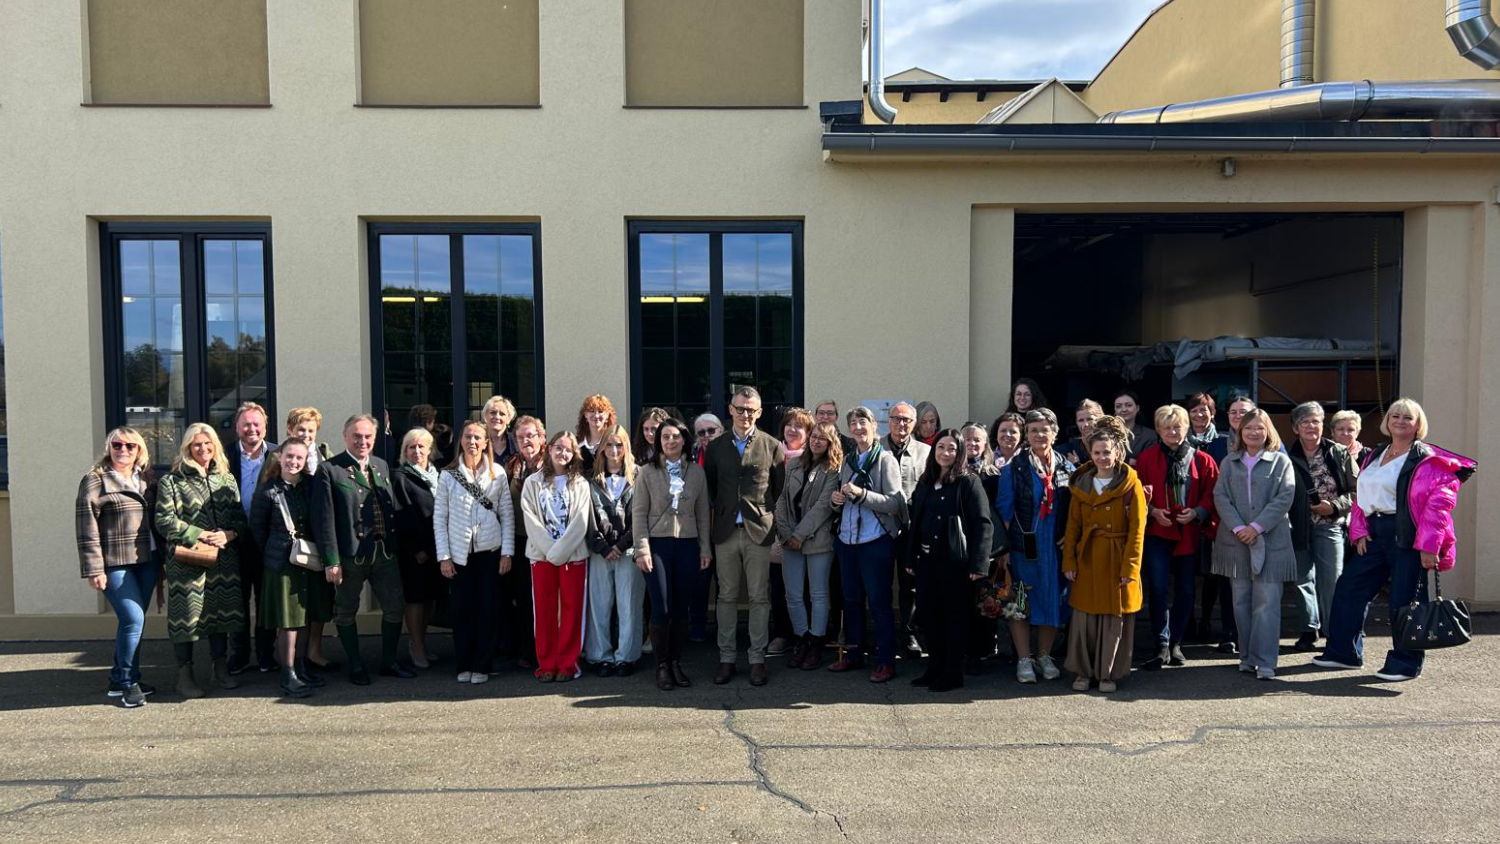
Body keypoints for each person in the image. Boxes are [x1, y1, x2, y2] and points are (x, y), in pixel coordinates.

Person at [1314, 398, 1476, 682]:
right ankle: (1343, 653)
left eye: (1407, 417)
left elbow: (1438, 508)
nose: (1400, 421)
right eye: (1395, 416)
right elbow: (1362, 495)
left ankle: (1404, 663)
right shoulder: (1375, 454)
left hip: (1409, 537)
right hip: (1375, 534)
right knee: (1350, 588)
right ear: (1387, 421)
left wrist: (1429, 546)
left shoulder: (1429, 459)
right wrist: (1360, 530)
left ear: (1418, 424)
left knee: (1404, 600)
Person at [310, 414, 414, 686]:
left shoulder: (380, 465)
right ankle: (355, 665)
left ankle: (388, 662)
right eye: (356, 436)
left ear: (375, 438)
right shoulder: (330, 469)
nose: (362, 441)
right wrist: (331, 560)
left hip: (384, 551)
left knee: (395, 607)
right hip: (350, 554)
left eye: (368, 436)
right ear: (345, 437)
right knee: (345, 611)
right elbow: (324, 520)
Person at [155, 422, 249, 699]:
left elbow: (240, 520)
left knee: (221, 616)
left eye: (208, 444)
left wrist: (229, 534)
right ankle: (184, 676)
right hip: (188, 562)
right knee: (187, 619)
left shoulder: (227, 479)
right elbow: (163, 520)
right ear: (187, 448)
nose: (203, 449)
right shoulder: (172, 481)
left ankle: (220, 669)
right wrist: (199, 533)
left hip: (224, 560)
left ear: (216, 446)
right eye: (197, 444)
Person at [703, 386, 785, 687]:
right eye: (740, 409)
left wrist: (767, 517)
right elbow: (711, 487)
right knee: (725, 596)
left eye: (751, 410)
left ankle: (756, 660)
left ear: (759, 412)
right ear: (731, 410)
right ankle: (726, 658)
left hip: (758, 532)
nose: (745, 414)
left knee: (759, 597)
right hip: (725, 531)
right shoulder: (716, 446)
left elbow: (778, 489)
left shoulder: (772, 445)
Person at [76, 427, 162, 708]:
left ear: (139, 450)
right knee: (133, 619)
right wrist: (94, 569)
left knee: (132, 622)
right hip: (114, 563)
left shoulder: (148, 478)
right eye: (117, 445)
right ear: (109, 448)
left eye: (130, 446)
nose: (123, 450)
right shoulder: (95, 480)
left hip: (146, 561)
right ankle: (128, 683)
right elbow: (86, 527)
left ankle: (118, 678)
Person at [904, 429, 994, 692]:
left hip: (956, 565)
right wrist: (910, 557)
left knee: (953, 619)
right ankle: (934, 668)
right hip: (926, 562)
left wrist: (979, 565)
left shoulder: (969, 482)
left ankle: (953, 673)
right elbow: (915, 521)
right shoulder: (926, 481)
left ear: (960, 452)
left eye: (951, 448)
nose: (945, 453)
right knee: (929, 618)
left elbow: (982, 525)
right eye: (940, 447)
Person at [1061, 416, 1146, 693]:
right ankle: (1083, 672)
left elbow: (1137, 531)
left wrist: (1129, 569)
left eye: (1107, 452)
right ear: (1090, 453)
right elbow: (1072, 527)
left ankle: (1108, 674)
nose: (1102, 457)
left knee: (1113, 619)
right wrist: (1069, 561)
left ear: (1118, 452)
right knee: (1084, 618)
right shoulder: (1082, 485)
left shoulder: (1131, 485)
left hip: (1116, 556)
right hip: (1087, 558)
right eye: (1096, 452)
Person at [1211, 408, 1297, 680]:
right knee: (1241, 602)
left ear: (1268, 430)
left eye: (1259, 427)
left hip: (1271, 541)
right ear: (1240, 431)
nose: (1253, 432)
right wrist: (1239, 528)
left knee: (1267, 603)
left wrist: (1256, 527)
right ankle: (1247, 657)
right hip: (1236, 542)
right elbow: (1220, 496)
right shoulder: (1229, 462)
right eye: (1248, 428)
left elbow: (1285, 497)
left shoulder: (1281, 461)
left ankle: (1266, 661)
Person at [1134, 404, 1219, 670]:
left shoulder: (1202, 459)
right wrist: (1151, 511)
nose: (1173, 431)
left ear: (1186, 428)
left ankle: (1176, 643)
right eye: (1167, 427)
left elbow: (1213, 494)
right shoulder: (1147, 458)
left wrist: (1197, 512)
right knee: (1158, 589)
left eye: (1177, 426)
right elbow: (1135, 493)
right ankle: (1161, 643)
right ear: (1158, 430)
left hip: (1188, 531)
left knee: (1185, 590)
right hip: (1158, 531)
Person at [248, 439, 332, 698]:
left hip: (309, 560)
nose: (294, 462)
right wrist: (277, 553)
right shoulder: (267, 492)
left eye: (300, 457)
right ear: (279, 457)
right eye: (290, 456)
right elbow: (257, 531)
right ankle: (288, 674)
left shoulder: (310, 487)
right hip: (282, 564)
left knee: (306, 616)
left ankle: (302, 667)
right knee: (289, 622)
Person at [996, 408, 1074, 684]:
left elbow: (1074, 508)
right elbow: (1004, 513)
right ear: (1026, 435)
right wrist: (1005, 549)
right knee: (1020, 603)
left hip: (1055, 548)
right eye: (1033, 430)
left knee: (1051, 600)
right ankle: (1024, 659)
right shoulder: (1014, 469)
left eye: (1044, 429)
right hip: (1023, 547)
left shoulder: (1066, 467)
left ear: (1054, 433)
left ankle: (1044, 655)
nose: (1039, 435)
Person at [830, 406, 906, 683]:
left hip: (875, 541)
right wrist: (834, 500)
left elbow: (895, 503)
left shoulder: (885, 460)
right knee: (850, 600)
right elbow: (840, 496)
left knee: (879, 602)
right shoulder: (848, 459)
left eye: (863, 422)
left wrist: (861, 494)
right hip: (847, 540)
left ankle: (886, 661)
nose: (858, 428)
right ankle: (853, 653)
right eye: (853, 423)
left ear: (875, 426)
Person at [435, 421, 515, 685]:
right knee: (462, 612)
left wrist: (507, 553)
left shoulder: (498, 473)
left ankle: (483, 663)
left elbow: (507, 515)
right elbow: (440, 519)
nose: (472, 442)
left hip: (489, 552)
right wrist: (444, 557)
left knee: (488, 610)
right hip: (458, 555)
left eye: (477, 438)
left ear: (485, 443)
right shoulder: (447, 475)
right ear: (461, 441)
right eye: (468, 436)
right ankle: (464, 663)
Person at [521, 431, 595, 682]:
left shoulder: (581, 483)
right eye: (558, 448)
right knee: (544, 611)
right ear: (549, 448)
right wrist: (551, 553)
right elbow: (530, 519)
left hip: (573, 557)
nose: (562, 453)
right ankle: (547, 663)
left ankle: (568, 664)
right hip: (541, 557)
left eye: (568, 449)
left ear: (574, 453)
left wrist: (561, 552)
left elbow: (580, 521)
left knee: (573, 611)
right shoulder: (532, 483)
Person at [1285, 401, 1358, 653]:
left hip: (1331, 526)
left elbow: (1357, 490)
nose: (1311, 426)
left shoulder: (1337, 452)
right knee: (1302, 579)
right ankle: (1309, 629)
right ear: (1296, 428)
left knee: (1331, 581)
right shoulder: (1285, 456)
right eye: (1305, 422)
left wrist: (1335, 506)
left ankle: (1331, 630)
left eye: (1315, 421)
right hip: (1298, 528)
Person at [271, 407, 336, 674]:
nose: (306, 435)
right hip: (291, 539)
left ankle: (314, 652)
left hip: (319, 537)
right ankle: (289, 659)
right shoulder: (280, 456)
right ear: (290, 431)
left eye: (310, 430)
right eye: (301, 430)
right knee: (294, 606)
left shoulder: (325, 455)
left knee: (319, 601)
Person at [774, 420, 842, 671]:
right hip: (789, 538)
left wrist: (799, 534)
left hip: (818, 539)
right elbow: (780, 500)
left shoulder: (833, 470)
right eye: (813, 436)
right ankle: (801, 638)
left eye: (822, 438)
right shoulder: (793, 464)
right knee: (792, 593)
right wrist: (785, 531)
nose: (815, 441)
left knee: (818, 594)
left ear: (830, 443)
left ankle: (816, 641)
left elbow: (823, 507)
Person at [584, 425, 645, 677]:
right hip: (599, 551)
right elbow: (586, 517)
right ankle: (601, 656)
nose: (614, 449)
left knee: (629, 605)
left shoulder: (639, 476)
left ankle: (625, 656)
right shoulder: (590, 478)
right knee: (599, 604)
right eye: (609, 444)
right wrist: (603, 547)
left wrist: (621, 546)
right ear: (602, 448)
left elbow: (642, 516)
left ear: (626, 447)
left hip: (628, 551)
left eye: (619, 444)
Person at [227, 402, 276, 675]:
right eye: (246, 424)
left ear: (265, 427)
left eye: (256, 424)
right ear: (237, 428)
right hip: (235, 540)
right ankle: (240, 655)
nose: (251, 429)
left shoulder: (278, 455)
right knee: (238, 602)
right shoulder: (223, 456)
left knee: (266, 600)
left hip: (269, 541)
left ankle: (266, 655)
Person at [1185, 391, 1233, 648]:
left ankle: (1207, 619)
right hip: (1189, 514)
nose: (1199, 415)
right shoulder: (1179, 440)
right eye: (1194, 411)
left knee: (1215, 574)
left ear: (1213, 413)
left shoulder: (1225, 441)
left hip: (1219, 515)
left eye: (1204, 410)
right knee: (1189, 571)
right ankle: (1189, 620)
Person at [391, 428, 443, 669]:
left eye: (421, 447)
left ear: (430, 450)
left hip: (436, 548)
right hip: (415, 553)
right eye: (411, 447)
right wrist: (416, 549)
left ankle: (422, 642)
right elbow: (402, 516)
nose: (417, 451)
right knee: (415, 600)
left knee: (429, 597)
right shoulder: (400, 477)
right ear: (404, 451)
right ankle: (416, 646)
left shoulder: (438, 475)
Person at [882, 402, 930, 657]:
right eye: (897, 419)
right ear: (888, 421)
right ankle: (883, 634)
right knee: (881, 583)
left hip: (913, 530)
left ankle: (909, 634)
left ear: (914, 423)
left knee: (910, 585)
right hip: (880, 529)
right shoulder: (875, 448)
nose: (901, 424)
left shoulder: (926, 452)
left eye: (907, 420)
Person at [767, 408, 813, 659]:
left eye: (799, 426)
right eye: (789, 425)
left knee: (802, 588)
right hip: (774, 531)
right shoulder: (773, 455)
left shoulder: (813, 459)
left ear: (808, 434)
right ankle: (781, 633)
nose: (792, 429)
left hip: (803, 532)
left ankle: (802, 636)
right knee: (777, 586)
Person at [960, 422, 1001, 671]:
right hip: (958, 546)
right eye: (967, 439)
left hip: (986, 548)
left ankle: (982, 651)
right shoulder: (952, 473)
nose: (972, 444)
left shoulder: (994, 476)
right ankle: (964, 651)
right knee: (961, 601)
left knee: (985, 602)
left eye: (977, 440)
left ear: (985, 445)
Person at [688, 412, 724, 640]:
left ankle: (724, 628)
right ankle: (697, 626)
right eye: (701, 432)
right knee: (700, 581)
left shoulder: (731, 452)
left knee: (725, 581)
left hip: (724, 526)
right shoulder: (690, 457)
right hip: (699, 528)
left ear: (721, 431)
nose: (707, 436)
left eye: (711, 431)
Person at [575, 394, 618, 476]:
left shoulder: (614, 443)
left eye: (601, 411)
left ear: (607, 415)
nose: (596, 415)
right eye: (592, 411)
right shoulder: (577, 443)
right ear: (585, 415)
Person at [1114, 389, 1158, 462]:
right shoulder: (1106, 433)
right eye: (1118, 406)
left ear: (1137, 408)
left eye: (1129, 405)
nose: (1124, 409)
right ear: (1115, 410)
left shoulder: (1150, 436)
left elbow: (1148, 463)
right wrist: (1130, 461)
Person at [1061, 399, 1104, 467]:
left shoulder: (1112, 446)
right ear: (1076, 423)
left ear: (1100, 420)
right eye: (1081, 420)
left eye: (1090, 419)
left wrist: (1077, 465)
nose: (1085, 424)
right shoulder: (1068, 450)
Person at [480, 395, 519, 468]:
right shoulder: (478, 441)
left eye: (502, 414)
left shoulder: (516, 442)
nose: (497, 417)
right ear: (485, 416)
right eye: (493, 412)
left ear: (508, 419)